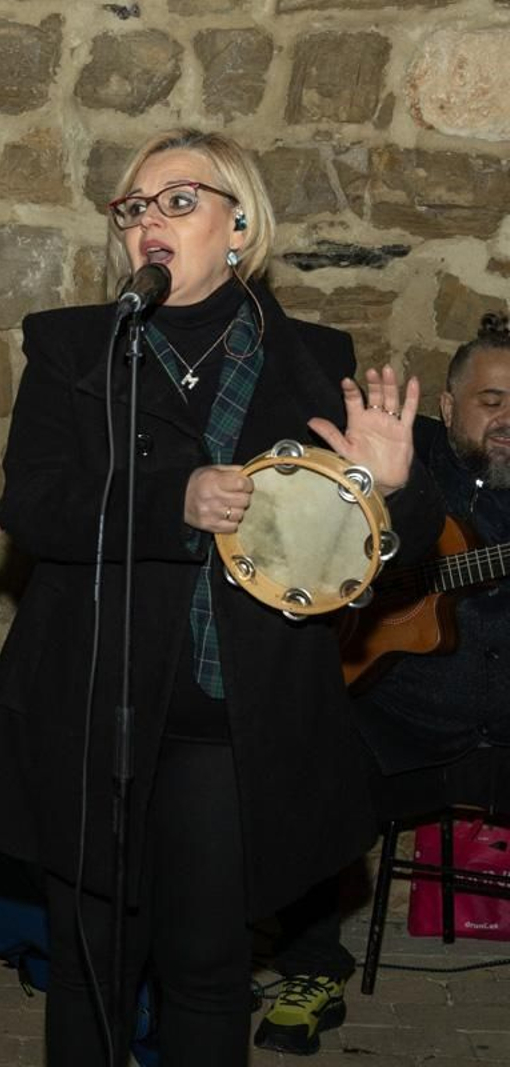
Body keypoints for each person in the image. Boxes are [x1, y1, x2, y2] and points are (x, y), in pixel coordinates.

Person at [0, 128, 445, 1065]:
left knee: (209, 965)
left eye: (179, 200)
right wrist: (172, 503)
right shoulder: (71, 347)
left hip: (235, 715)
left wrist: (390, 486)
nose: (150, 220)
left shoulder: (311, 356)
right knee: (91, 957)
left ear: (239, 225)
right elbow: (34, 504)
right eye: (134, 206)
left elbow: (385, 553)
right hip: (93, 700)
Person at [257, 313, 510, 1056]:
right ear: (447, 405)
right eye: (491, 400)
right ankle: (311, 971)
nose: (507, 420)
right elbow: (312, 548)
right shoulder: (402, 467)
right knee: (310, 768)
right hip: (401, 722)